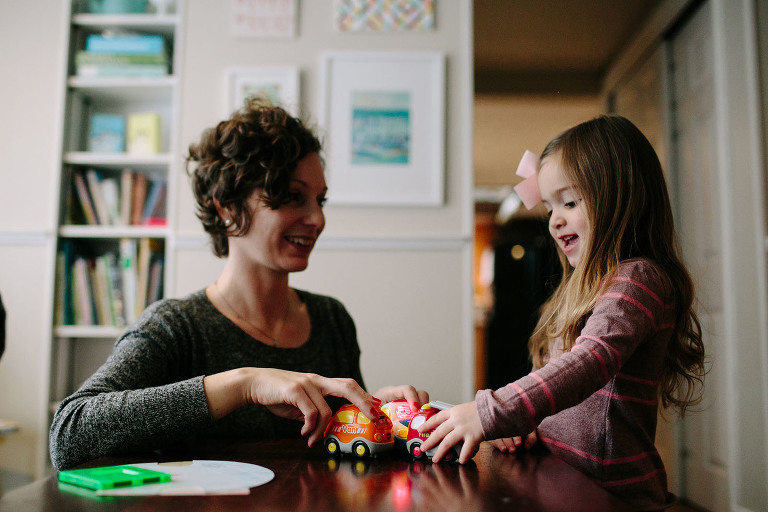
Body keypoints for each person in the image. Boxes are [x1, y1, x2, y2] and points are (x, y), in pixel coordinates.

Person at [49, 100, 428, 470]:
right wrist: (244, 384)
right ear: (226, 206)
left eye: (320, 200)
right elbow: (68, 432)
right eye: (292, 197)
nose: (317, 219)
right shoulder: (176, 327)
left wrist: (375, 412)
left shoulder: (331, 319)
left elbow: (338, 445)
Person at [418, 115, 706, 511]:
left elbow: (590, 362)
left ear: (620, 196)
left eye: (569, 202)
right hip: (567, 482)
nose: (554, 220)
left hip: (614, 493)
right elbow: (567, 395)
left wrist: (493, 412)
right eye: (550, 206)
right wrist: (531, 426)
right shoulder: (585, 287)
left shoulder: (638, 278)